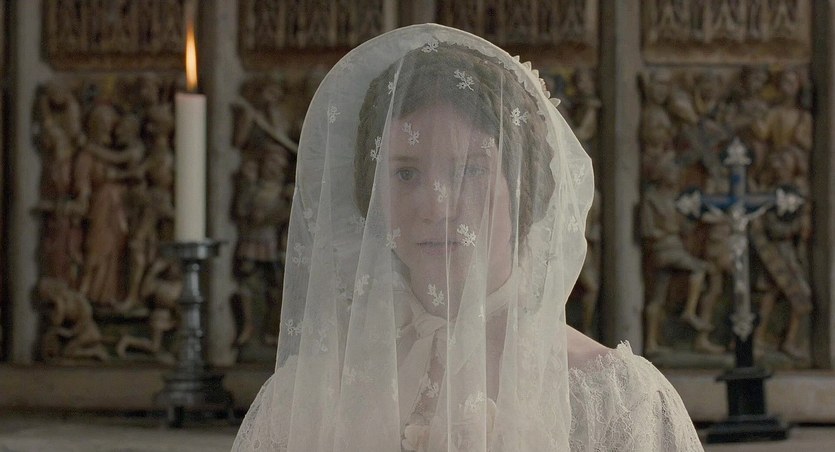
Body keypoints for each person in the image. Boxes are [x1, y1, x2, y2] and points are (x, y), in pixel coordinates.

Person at [233, 24, 702, 451]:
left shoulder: (616, 399)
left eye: (470, 171)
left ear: (523, 188)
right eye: (406, 173)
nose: (436, 206)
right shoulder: (306, 397)